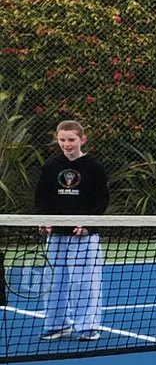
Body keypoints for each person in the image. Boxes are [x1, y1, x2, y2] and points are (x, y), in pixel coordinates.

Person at [33, 117, 108, 342]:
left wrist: (88, 225)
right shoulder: (51, 166)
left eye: (71, 139)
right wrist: (45, 220)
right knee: (53, 281)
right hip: (56, 235)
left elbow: (101, 199)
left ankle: (88, 326)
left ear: (82, 139)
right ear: (57, 139)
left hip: (83, 236)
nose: (67, 144)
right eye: (62, 139)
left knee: (84, 282)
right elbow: (41, 197)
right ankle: (56, 325)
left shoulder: (93, 166)